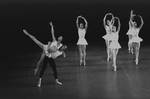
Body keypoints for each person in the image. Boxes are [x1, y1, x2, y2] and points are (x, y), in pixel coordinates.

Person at [23, 22, 67, 87]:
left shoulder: (60, 46)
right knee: (35, 40)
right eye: (59, 36)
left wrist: (63, 52)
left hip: (49, 55)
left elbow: (61, 51)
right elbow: (52, 32)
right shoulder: (55, 41)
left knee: (49, 66)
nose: (59, 37)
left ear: (61, 40)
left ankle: (56, 80)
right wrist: (52, 26)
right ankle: (27, 34)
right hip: (46, 48)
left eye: (61, 37)